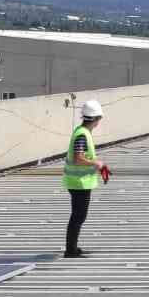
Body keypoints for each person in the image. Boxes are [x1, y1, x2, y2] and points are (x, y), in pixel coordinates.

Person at [62, 99, 108, 259]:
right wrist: (97, 163)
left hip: (78, 182)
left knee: (78, 215)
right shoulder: (82, 134)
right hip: (79, 183)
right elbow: (78, 158)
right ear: (95, 119)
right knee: (78, 216)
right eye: (99, 119)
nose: (99, 122)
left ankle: (72, 247)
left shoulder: (81, 131)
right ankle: (70, 250)